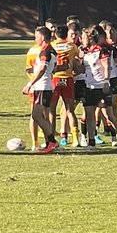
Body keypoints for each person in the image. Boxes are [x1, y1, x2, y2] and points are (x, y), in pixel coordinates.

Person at [23, 25, 59, 153]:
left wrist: (30, 83)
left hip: (42, 87)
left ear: (43, 37)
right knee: (41, 115)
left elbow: (43, 69)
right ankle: (50, 142)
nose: (35, 39)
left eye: (37, 37)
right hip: (45, 86)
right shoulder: (51, 50)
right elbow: (53, 68)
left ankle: (52, 142)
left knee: (36, 115)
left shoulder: (45, 51)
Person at [50, 23, 79, 146]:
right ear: (66, 33)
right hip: (68, 79)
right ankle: (75, 138)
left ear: (55, 34)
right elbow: (77, 61)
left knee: (52, 110)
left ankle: (51, 139)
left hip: (55, 79)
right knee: (70, 110)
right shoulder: (72, 47)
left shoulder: (51, 46)